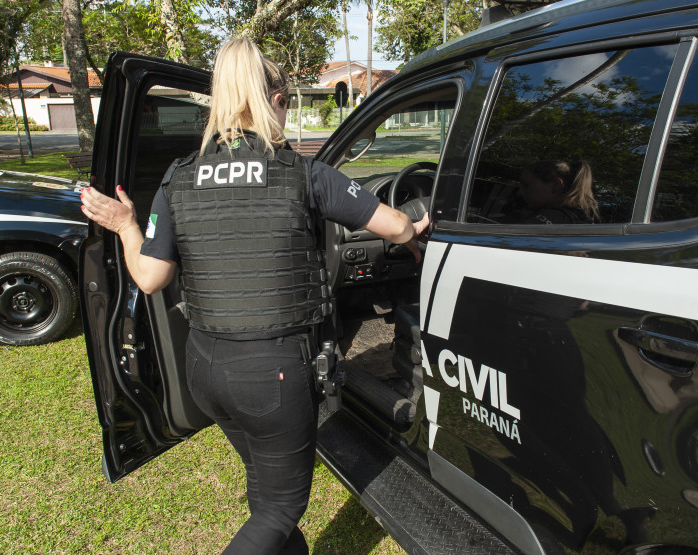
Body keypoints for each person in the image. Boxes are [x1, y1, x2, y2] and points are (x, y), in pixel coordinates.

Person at [80, 37, 428, 554]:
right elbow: (396, 226)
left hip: (205, 370)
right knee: (280, 507)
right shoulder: (303, 173)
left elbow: (149, 278)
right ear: (276, 100)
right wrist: (417, 225)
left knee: (265, 487)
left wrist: (128, 227)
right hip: (272, 376)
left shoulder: (179, 177)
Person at [510, 159, 599, 224]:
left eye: (526, 185)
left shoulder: (553, 219)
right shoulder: (577, 219)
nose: (520, 193)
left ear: (556, 184)